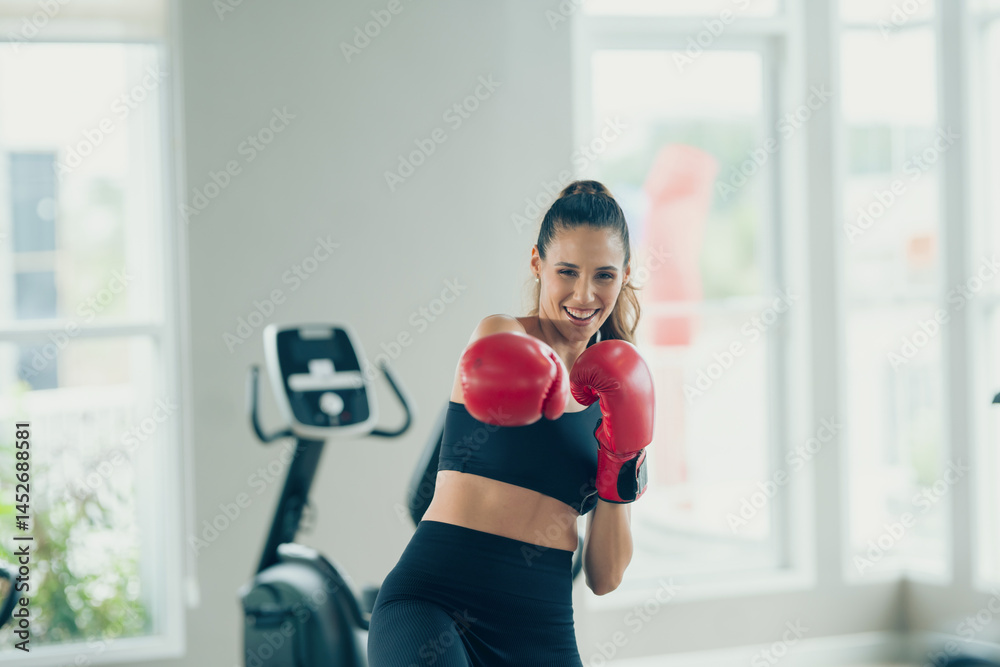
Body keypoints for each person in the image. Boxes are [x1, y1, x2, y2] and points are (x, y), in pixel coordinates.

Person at [367, 180, 656, 666]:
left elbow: (605, 577)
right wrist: (563, 386)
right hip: (433, 603)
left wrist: (621, 458)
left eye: (604, 275)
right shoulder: (501, 334)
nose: (584, 294)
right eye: (567, 271)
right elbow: (504, 368)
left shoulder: (617, 395)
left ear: (625, 276)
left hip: (539, 629)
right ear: (537, 264)